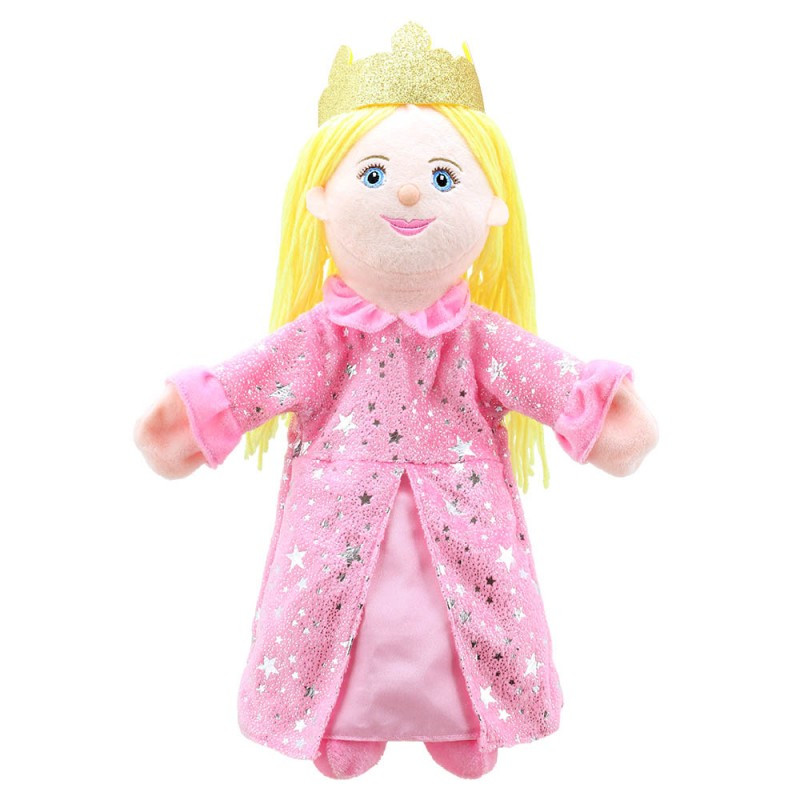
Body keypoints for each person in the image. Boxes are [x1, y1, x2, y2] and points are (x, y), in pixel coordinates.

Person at [134, 23, 658, 780]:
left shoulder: (476, 339)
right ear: (322, 197)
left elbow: (547, 378)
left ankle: (467, 718)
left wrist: (608, 417)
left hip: (464, 518)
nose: (409, 194)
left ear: (491, 207)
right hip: (336, 524)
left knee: (469, 611)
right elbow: (252, 380)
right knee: (327, 611)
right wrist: (183, 422)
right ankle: (341, 719)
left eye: (443, 179)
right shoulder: (324, 338)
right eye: (374, 175)